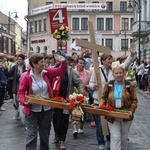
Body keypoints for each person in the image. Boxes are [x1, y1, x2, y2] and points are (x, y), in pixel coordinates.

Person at [89, 44, 136, 150]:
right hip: (99, 100)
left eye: (111, 59)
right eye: (108, 59)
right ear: (103, 61)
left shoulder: (114, 70)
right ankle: (101, 142)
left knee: (113, 129)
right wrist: (94, 86)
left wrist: (131, 55)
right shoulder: (96, 69)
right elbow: (90, 83)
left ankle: (111, 142)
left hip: (112, 103)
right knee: (100, 125)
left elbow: (125, 66)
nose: (110, 61)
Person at [18, 53, 67, 150]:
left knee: (45, 135)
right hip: (32, 110)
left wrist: (63, 62)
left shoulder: (47, 72)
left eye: (44, 61)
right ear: (34, 64)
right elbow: (21, 92)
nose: (44, 64)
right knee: (31, 135)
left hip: (46, 110)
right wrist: (25, 102)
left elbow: (60, 71)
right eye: (41, 62)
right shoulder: (26, 76)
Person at [100, 65, 138, 150]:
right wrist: (102, 106)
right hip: (112, 114)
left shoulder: (129, 85)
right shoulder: (108, 85)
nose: (118, 75)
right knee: (115, 137)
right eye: (116, 73)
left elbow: (134, 100)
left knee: (124, 138)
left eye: (120, 73)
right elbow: (103, 97)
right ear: (113, 75)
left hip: (126, 115)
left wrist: (131, 110)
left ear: (124, 74)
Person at [52, 51, 85, 150]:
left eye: (59, 57)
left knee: (64, 120)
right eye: (56, 57)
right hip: (54, 100)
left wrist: (80, 92)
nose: (58, 59)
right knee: (55, 119)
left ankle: (62, 140)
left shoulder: (69, 70)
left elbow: (78, 81)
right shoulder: (52, 69)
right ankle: (57, 134)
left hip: (66, 99)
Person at [72, 57, 91, 136]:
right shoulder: (73, 72)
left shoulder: (87, 73)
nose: (82, 65)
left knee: (83, 111)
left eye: (83, 63)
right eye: (80, 63)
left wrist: (87, 86)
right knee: (74, 110)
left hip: (84, 94)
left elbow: (90, 83)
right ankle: (75, 129)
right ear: (77, 64)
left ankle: (81, 127)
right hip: (74, 94)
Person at [7, 54, 26, 119]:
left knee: (21, 99)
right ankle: (17, 110)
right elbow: (9, 74)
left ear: (23, 60)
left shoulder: (25, 67)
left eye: (20, 59)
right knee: (15, 100)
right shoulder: (15, 67)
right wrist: (5, 68)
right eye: (17, 59)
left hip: (23, 85)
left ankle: (22, 112)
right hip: (16, 85)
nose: (18, 61)